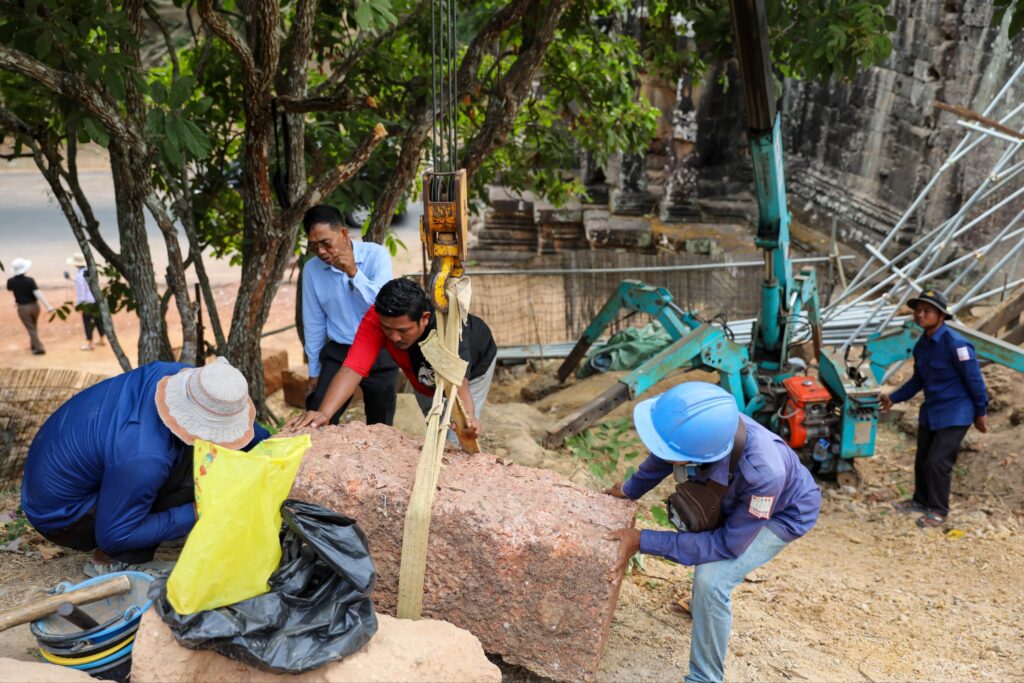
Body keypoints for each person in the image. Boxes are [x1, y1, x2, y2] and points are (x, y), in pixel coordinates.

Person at [604, 382, 821, 683]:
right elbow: (667, 451)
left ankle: (704, 678)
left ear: (700, 454)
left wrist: (644, 540)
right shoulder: (703, 429)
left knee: (712, 579)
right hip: (739, 499)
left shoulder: (763, 474)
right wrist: (630, 489)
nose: (660, 450)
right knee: (705, 532)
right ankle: (702, 611)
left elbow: (727, 545)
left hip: (782, 514)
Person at [21, 357, 270, 576]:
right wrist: (203, 509)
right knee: (200, 471)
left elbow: (247, 435)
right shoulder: (146, 457)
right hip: (63, 515)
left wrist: (271, 449)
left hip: (73, 472)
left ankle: (153, 523)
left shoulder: (181, 378)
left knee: (193, 458)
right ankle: (114, 560)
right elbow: (115, 535)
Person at [286, 278, 497, 442]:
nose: (394, 337)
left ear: (424, 318)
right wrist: (324, 413)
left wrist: (469, 420)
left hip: (475, 368)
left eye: (403, 330)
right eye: (387, 329)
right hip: (421, 375)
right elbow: (352, 369)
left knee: (456, 436)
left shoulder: (450, 331)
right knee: (435, 424)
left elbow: (459, 384)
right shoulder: (376, 319)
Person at [880, 289, 988, 528]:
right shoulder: (922, 345)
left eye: (927, 311)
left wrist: (980, 413)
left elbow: (974, 381)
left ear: (941, 316)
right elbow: (918, 380)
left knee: (938, 461)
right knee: (922, 459)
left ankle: (938, 511)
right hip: (932, 411)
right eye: (918, 310)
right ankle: (920, 501)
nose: (920, 315)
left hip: (956, 412)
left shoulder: (957, 345)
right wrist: (893, 397)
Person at [301, 205, 399, 425]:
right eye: (314, 246)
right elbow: (314, 324)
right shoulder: (311, 270)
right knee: (319, 418)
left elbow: (386, 307)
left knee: (381, 424)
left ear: (344, 233)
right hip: (340, 352)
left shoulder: (376, 255)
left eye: (326, 243)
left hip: (379, 349)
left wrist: (354, 272)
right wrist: (314, 371)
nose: (321, 251)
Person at [6, 257, 53, 355]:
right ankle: (34, 345)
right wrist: (48, 306)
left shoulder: (11, 281)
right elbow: (38, 294)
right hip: (35, 306)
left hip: (23, 308)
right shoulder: (30, 280)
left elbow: (10, 289)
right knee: (33, 326)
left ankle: (39, 348)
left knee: (31, 328)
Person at [65, 253, 106, 351]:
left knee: (87, 323)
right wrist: (71, 278)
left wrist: (80, 305)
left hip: (87, 303)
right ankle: (102, 339)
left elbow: (81, 291)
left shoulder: (80, 275)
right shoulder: (89, 272)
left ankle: (90, 344)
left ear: (75, 264)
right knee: (98, 320)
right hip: (95, 300)